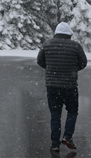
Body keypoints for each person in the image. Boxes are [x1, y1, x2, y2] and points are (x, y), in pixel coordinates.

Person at [37, 22, 87, 152]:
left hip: (52, 86)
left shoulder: (47, 44)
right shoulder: (75, 46)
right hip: (70, 86)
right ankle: (67, 136)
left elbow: (40, 61)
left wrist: (51, 70)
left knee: (55, 115)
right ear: (69, 34)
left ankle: (55, 144)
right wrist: (72, 69)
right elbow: (83, 63)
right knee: (72, 111)